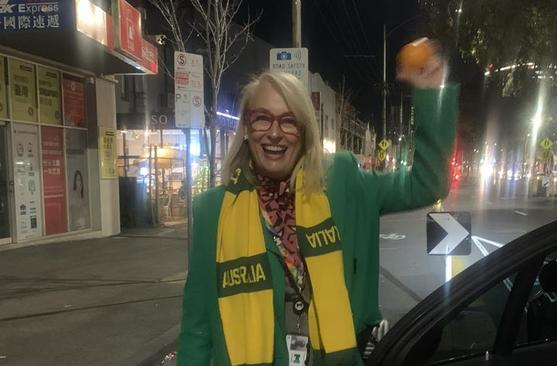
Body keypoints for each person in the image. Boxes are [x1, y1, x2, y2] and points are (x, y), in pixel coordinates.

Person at [178, 41, 457, 366]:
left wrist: (430, 96)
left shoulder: (345, 182)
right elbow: (197, 330)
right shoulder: (213, 211)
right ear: (246, 129)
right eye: (262, 119)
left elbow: (428, 183)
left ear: (304, 130)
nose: (274, 133)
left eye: (288, 121)